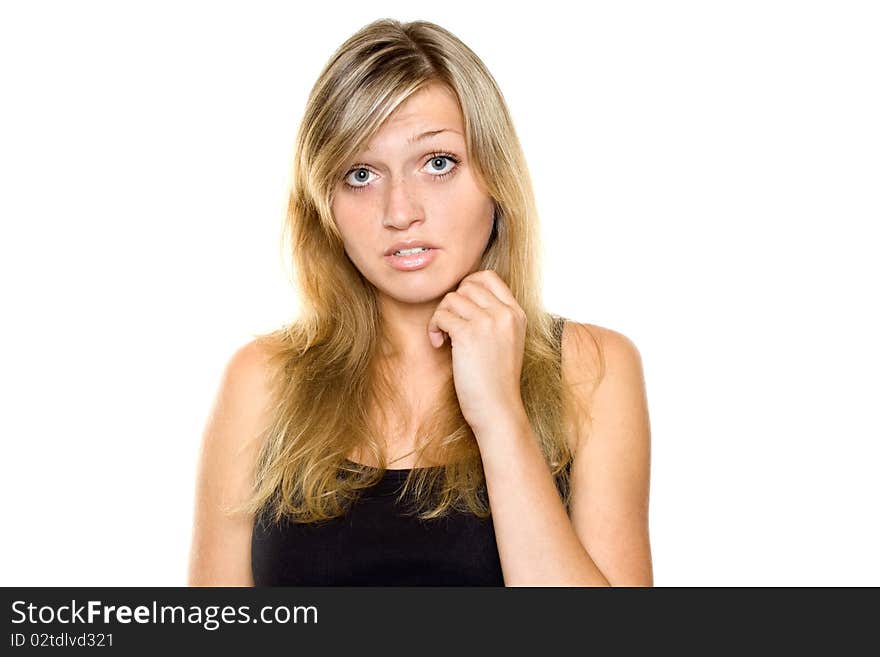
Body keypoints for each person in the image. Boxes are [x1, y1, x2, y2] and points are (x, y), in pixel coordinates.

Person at [187, 18, 653, 586]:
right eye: (360, 174)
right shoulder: (263, 379)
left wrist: (500, 415)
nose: (399, 211)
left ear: (493, 175)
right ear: (323, 205)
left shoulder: (592, 367)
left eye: (437, 163)